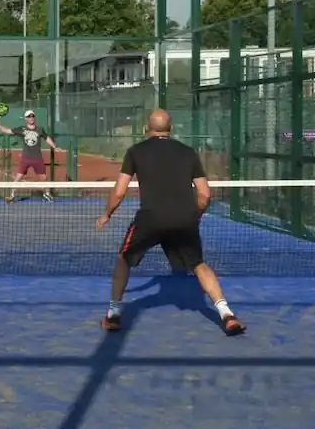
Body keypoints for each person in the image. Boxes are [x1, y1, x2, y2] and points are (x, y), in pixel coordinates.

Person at [95, 108, 246, 336]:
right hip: (184, 219)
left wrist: (107, 214)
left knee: (124, 259)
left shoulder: (135, 152)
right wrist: (195, 216)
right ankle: (227, 313)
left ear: (146, 129)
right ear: (171, 129)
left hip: (150, 219)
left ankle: (113, 314)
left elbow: (119, 192)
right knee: (198, 264)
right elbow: (205, 194)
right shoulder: (188, 153)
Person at [0, 110, 63, 202]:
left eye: (32, 116)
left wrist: (55, 147)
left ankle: (47, 193)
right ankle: (12, 196)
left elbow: (46, 138)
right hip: (25, 158)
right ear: (26, 118)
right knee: (18, 177)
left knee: (43, 178)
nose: (31, 118)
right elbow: (7, 131)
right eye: (29, 116)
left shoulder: (40, 129)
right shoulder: (22, 129)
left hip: (37, 158)